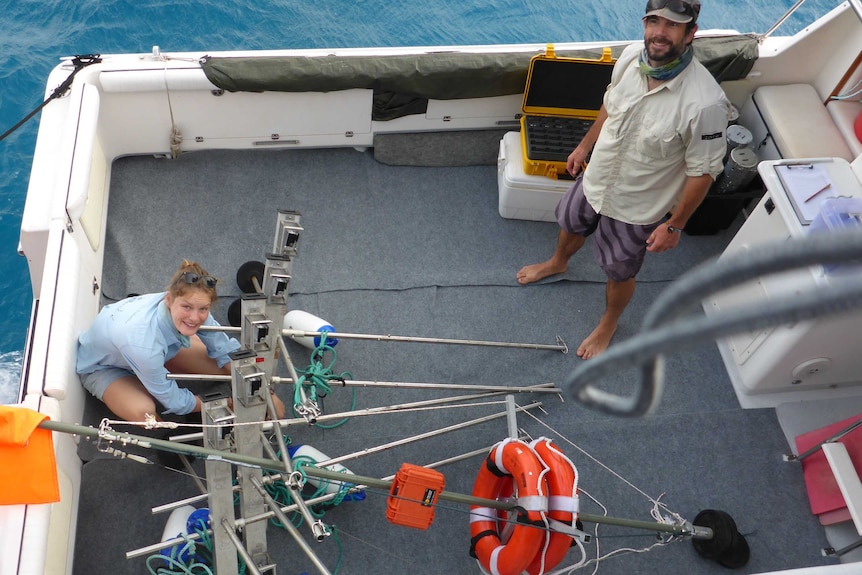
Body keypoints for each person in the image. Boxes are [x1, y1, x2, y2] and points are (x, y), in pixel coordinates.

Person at [517, 0, 732, 359]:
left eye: (672, 25)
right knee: (570, 222)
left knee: (619, 271)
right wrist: (585, 145)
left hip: (637, 206)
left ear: (691, 33)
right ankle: (558, 262)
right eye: (653, 21)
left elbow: (704, 171)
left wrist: (675, 226)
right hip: (596, 177)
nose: (659, 32)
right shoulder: (632, 57)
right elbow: (610, 105)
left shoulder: (705, 103)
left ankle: (608, 323)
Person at [77, 260, 285, 422]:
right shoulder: (143, 345)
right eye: (187, 308)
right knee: (147, 415)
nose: (195, 317)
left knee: (223, 368)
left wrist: (261, 389)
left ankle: (156, 370)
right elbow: (173, 400)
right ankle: (150, 390)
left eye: (203, 309)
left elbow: (222, 349)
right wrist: (230, 404)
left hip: (153, 352)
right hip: (103, 368)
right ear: (168, 299)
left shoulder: (191, 300)